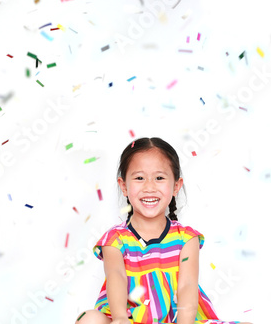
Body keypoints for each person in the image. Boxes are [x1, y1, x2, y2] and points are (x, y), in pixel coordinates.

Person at [75, 137, 251, 324]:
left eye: (159, 178)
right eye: (139, 178)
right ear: (124, 186)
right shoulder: (115, 240)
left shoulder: (186, 239)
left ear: (176, 186)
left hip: (178, 320)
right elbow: (115, 276)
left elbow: (187, 286)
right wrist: (119, 318)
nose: (149, 187)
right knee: (88, 319)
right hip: (131, 319)